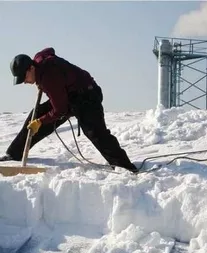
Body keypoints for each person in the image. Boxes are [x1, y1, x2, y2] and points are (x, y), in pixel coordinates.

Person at [0, 47, 138, 173]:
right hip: (69, 94)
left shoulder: (49, 78)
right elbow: (49, 50)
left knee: (95, 132)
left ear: (31, 68)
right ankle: (13, 154)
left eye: (24, 77)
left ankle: (125, 167)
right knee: (35, 115)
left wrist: (40, 122)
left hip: (87, 96)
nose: (24, 82)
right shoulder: (38, 60)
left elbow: (60, 110)